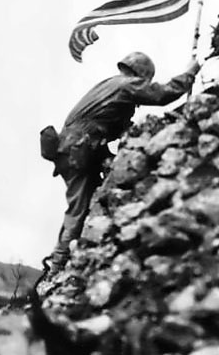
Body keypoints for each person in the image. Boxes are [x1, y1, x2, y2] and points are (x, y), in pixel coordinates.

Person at [45, 52, 200, 277]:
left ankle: (70, 254)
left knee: (86, 200)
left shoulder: (108, 85)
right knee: (78, 207)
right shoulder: (127, 85)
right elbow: (162, 94)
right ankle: (58, 264)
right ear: (142, 75)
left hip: (72, 149)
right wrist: (189, 73)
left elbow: (101, 125)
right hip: (77, 151)